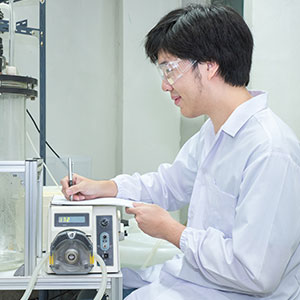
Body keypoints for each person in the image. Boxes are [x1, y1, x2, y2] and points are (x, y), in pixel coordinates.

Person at [61, 4, 300, 300]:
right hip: (198, 278)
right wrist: (106, 188)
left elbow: (255, 273)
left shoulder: (270, 149)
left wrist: (174, 232)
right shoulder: (213, 133)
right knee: (95, 283)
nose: (165, 85)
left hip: (238, 292)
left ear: (210, 65)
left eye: (170, 69)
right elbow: (169, 184)